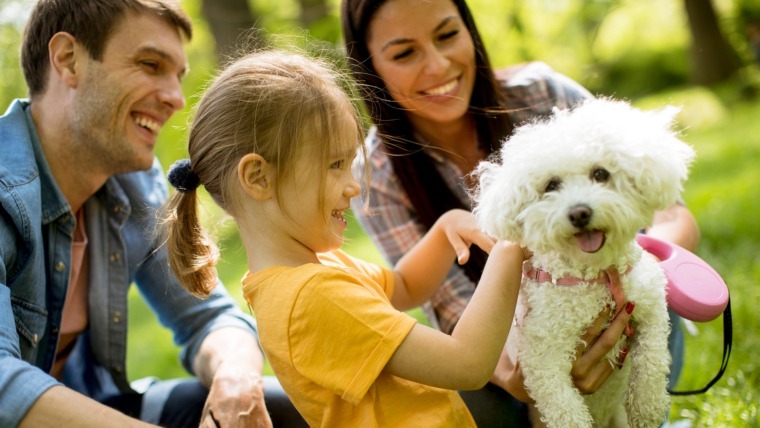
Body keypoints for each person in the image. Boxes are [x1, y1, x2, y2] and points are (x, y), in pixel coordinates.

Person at [161, 49, 571, 427]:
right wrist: (511, 246)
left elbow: (404, 286)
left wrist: (445, 228)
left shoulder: (310, 270)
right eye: (334, 165)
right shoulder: (310, 297)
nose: (352, 186)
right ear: (258, 177)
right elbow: (467, 363)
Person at [341, 0, 701, 425]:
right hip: (501, 361)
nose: (437, 66)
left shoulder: (543, 92)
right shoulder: (378, 172)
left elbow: (672, 217)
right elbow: (451, 309)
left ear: (469, 31)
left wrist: (627, 276)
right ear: (370, 69)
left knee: (656, 285)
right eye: (405, 53)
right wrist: (520, 371)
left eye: (447, 35)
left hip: (619, 316)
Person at [0, 1, 304, 426]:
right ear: (68, 60)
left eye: (177, 76)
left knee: (291, 406)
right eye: (150, 64)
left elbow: (208, 316)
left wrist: (236, 384)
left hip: (101, 406)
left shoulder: (130, 184)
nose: (176, 99)